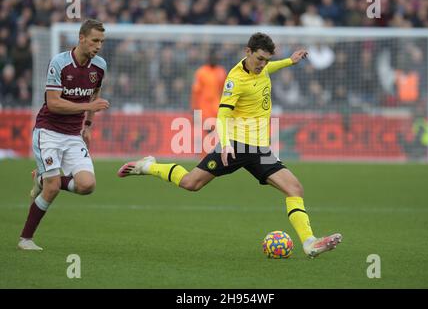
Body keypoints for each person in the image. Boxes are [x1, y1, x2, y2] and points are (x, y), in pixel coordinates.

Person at [117, 33, 342, 258]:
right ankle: (147, 166)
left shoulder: (260, 68)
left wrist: (289, 61)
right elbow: (222, 116)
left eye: (266, 60)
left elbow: (268, 69)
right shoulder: (235, 80)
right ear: (248, 52)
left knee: (295, 189)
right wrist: (225, 145)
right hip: (238, 146)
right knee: (190, 183)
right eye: (259, 59)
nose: (262, 64)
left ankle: (309, 242)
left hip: (260, 150)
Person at [18, 19, 110, 250]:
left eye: (101, 42)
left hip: (72, 135)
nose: (98, 46)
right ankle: (25, 239)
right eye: (94, 41)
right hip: (48, 131)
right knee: (52, 188)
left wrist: (87, 125)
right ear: (81, 38)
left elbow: (94, 94)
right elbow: (54, 104)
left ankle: (41, 178)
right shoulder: (59, 63)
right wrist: (87, 108)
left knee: (87, 185)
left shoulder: (99, 66)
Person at [191, 51, 227, 156]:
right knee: (207, 131)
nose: (213, 60)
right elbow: (195, 92)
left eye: (215, 58)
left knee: (217, 132)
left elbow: (225, 91)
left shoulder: (221, 71)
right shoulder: (201, 72)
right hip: (204, 108)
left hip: (217, 107)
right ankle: (203, 155)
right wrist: (194, 108)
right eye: (211, 58)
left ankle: (216, 154)